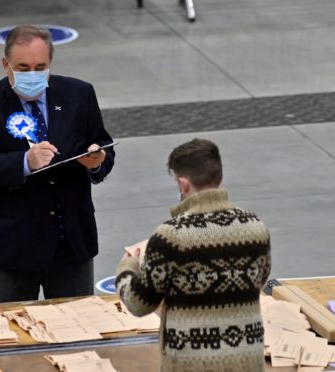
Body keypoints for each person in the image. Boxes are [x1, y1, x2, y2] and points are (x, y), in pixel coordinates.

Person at [0, 25, 115, 304]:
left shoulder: (80, 95)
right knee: (11, 337)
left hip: (71, 246)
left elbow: (102, 144)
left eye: (40, 66)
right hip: (12, 250)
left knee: (77, 336)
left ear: (50, 63)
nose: (32, 74)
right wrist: (23, 162)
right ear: (6, 64)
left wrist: (96, 161)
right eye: (23, 67)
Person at [115, 138, 271, 372]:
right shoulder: (256, 227)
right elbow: (259, 281)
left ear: (183, 184)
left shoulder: (170, 236)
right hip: (247, 361)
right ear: (219, 178)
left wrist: (127, 268)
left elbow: (139, 304)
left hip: (190, 363)